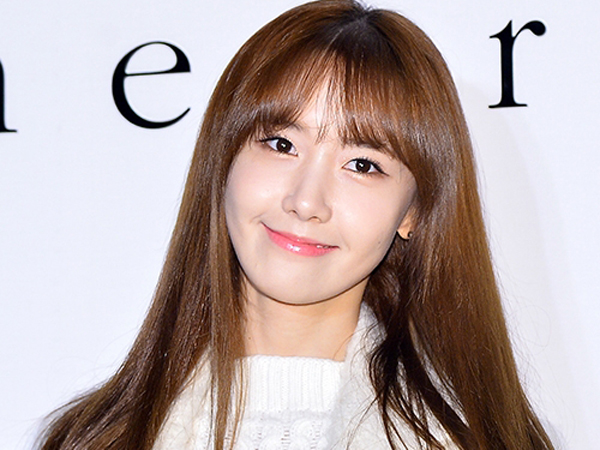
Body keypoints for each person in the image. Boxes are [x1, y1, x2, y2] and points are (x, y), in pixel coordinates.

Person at [38, 0, 555, 448]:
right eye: (281, 144)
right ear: (224, 161)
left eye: (363, 165)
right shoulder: (91, 439)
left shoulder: (477, 441)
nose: (307, 201)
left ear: (414, 211)